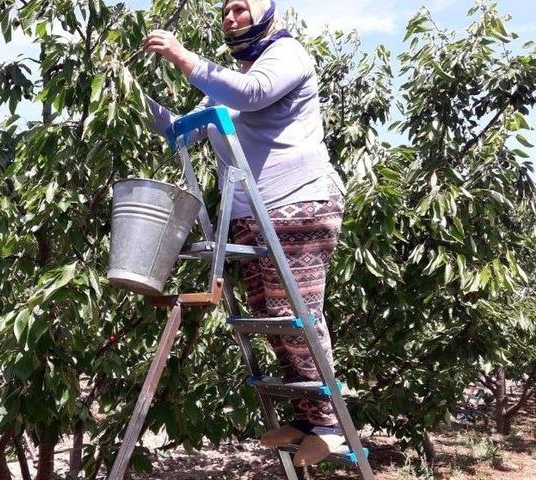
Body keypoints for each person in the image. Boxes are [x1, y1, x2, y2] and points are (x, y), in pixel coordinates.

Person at [142, 0, 347, 467]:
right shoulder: (223, 86)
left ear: (267, 12)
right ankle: (308, 417)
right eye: (225, 11)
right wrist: (122, 88)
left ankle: (330, 424)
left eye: (241, 7)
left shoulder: (286, 53)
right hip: (252, 213)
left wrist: (181, 56)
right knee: (272, 316)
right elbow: (182, 130)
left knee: (296, 312)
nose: (231, 17)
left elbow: (253, 93)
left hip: (298, 202)